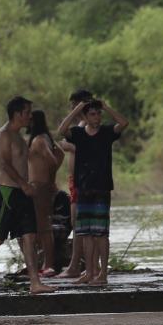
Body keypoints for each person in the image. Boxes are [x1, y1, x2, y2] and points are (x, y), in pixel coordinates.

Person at [0, 97, 51, 296]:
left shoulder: (19, 136)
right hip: (8, 192)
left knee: (29, 237)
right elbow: (5, 164)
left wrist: (31, 183)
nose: (30, 116)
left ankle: (35, 282)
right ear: (17, 113)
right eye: (27, 112)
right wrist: (24, 184)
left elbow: (24, 164)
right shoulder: (4, 135)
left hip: (23, 192)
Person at [57, 96, 128, 286]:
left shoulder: (106, 132)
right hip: (83, 188)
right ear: (86, 117)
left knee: (101, 233)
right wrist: (77, 109)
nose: (97, 117)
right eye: (92, 114)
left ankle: (102, 274)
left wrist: (106, 106)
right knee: (86, 233)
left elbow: (123, 123)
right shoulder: (79, 134)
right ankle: (89, 272)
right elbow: (61, 130)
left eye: (98, 114)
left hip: (102, 188)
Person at [25, 109, 64, 277]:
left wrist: (50, 181)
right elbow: (61, 153)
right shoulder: (43, 138)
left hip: (40, 186)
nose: (26, 120)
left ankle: (49, 265)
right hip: (38, 186)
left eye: (29, 118)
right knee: (38, 226)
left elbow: (54, 160)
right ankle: (43, 263)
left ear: (35, 121)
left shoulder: (40, 140)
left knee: (44, 227)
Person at [60, 89, 94, 279]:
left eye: (74, 105)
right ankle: (81, 264)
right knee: (76, 222)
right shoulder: (80, 124)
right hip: (75, 179)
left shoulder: (89, 123)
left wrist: (69, 147)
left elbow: (91, 150)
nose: (72, 108)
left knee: (80, 222)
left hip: (84, 179)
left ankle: (78, 265)